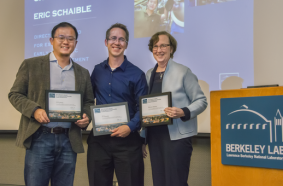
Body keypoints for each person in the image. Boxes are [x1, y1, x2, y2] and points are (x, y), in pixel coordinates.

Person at [8, 22, 94, 186]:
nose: (66, 42)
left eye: (70, 38)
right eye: (61, 37)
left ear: (76, 43)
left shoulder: (83, 72)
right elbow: (15, 94)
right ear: (51, 40)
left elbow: (89, 101)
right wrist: (34, 110)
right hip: (40, 137)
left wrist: (86, 116)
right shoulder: (31, 65)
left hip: (69, 140)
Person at [142, 31, 207, 186]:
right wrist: (143, 138)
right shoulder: (149, 74)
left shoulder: (183, 71)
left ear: (171, 48)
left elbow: (201, 101)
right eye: (155, 46)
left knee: (176, 181)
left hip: (177, 138)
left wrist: (183, 111)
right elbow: (145, 107)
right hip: (155, 137)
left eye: (163, 45)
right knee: (159, 181)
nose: (159, 49)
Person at [87, 23, 148, 186]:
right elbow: (88, 99)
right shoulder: (97, 70)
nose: (117, 42)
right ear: (106, 42)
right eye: (113, 38)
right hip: (99, 142)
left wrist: (129, 127)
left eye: (122, 39)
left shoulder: (137, 74)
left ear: (126, 45)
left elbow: (144, 108)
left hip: (128, 142)